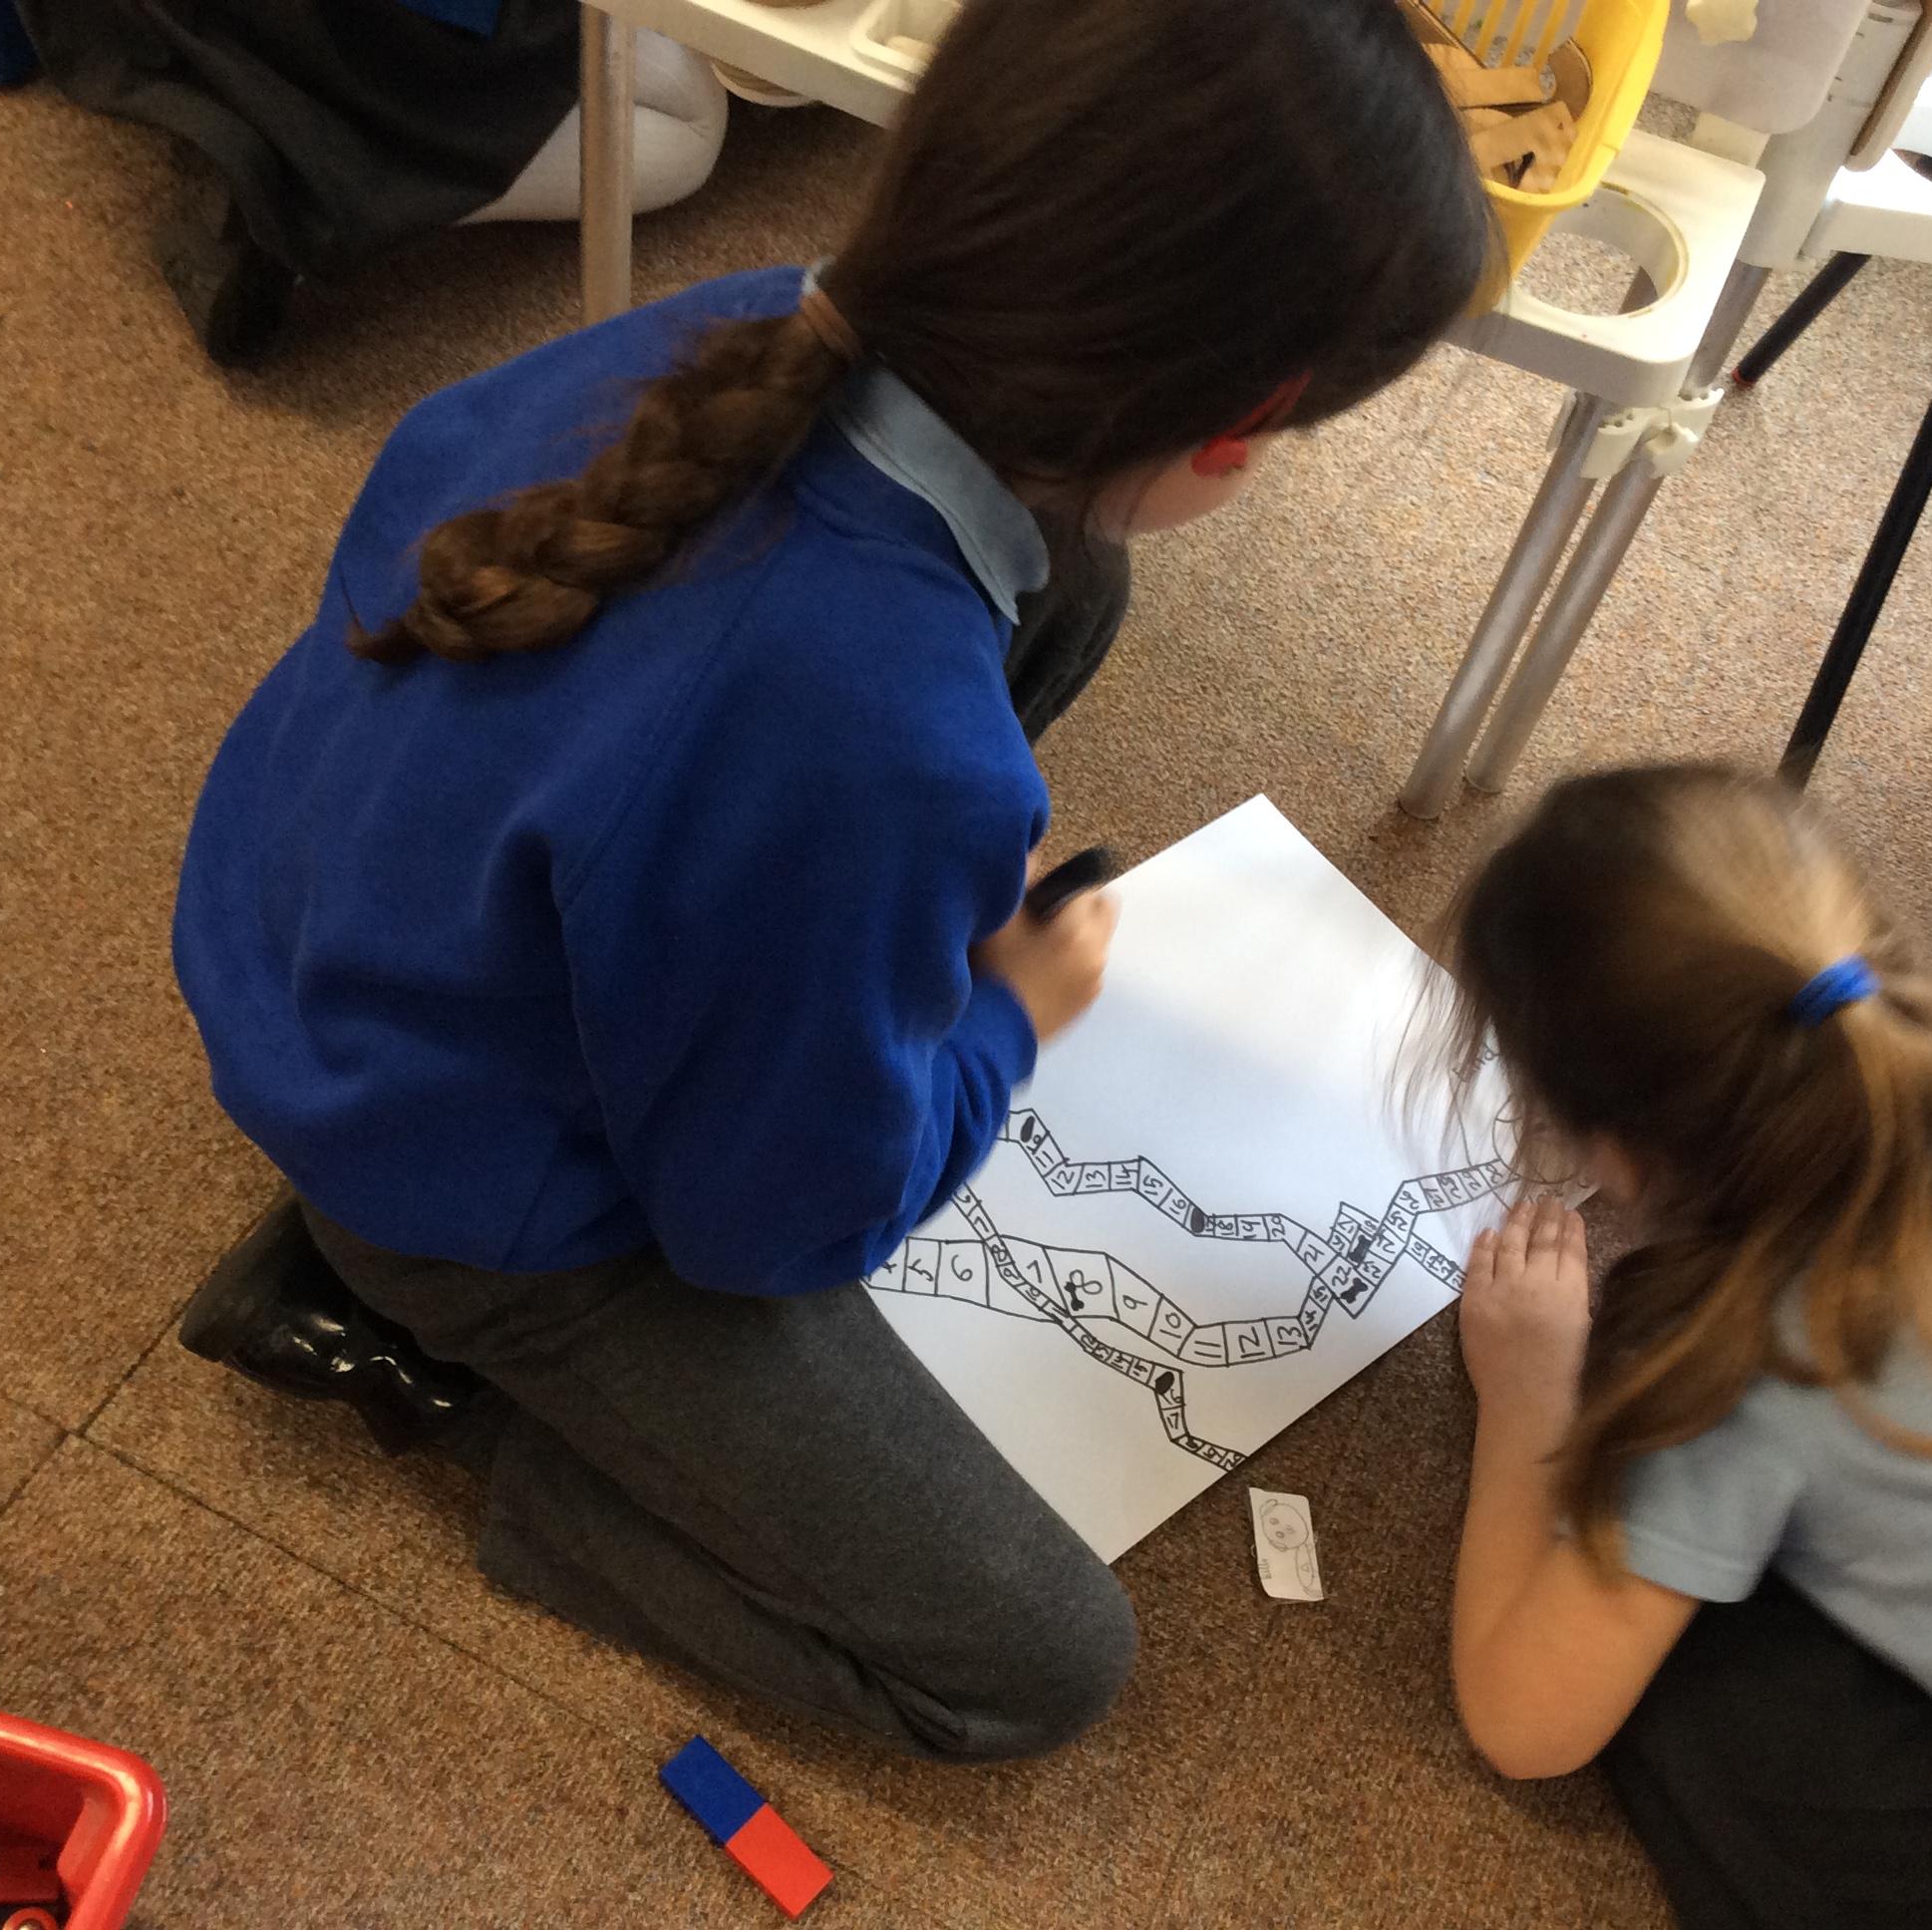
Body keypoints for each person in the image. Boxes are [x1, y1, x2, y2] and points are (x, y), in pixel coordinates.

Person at [170, 0, 1489, 1760]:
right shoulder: (883, 748)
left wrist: (844, 879)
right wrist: (1006, 1020)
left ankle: (456, 1247)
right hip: (458, 1186)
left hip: (337, 944)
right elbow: (769, 1229)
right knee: (1034, 1663)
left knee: (1073, 578)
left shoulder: (732, 325)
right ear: (1242, 430)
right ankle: (453, 1395)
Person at [1439, 763, 1932, 1926]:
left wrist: (1529, 1400)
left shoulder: (1746, 1368)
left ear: (1617, 1153)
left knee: (1701, 1672)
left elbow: (1523, 1720)